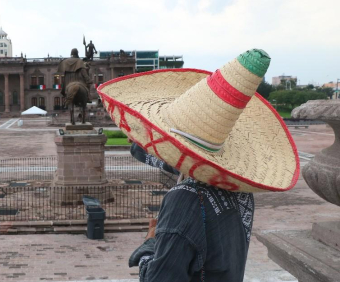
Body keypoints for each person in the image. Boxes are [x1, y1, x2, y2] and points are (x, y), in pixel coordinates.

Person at [97, 49, 300, 282]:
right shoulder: (239, 191)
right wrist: (139, 144)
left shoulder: (185, 199)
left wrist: (149, 245)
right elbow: (175, 164)